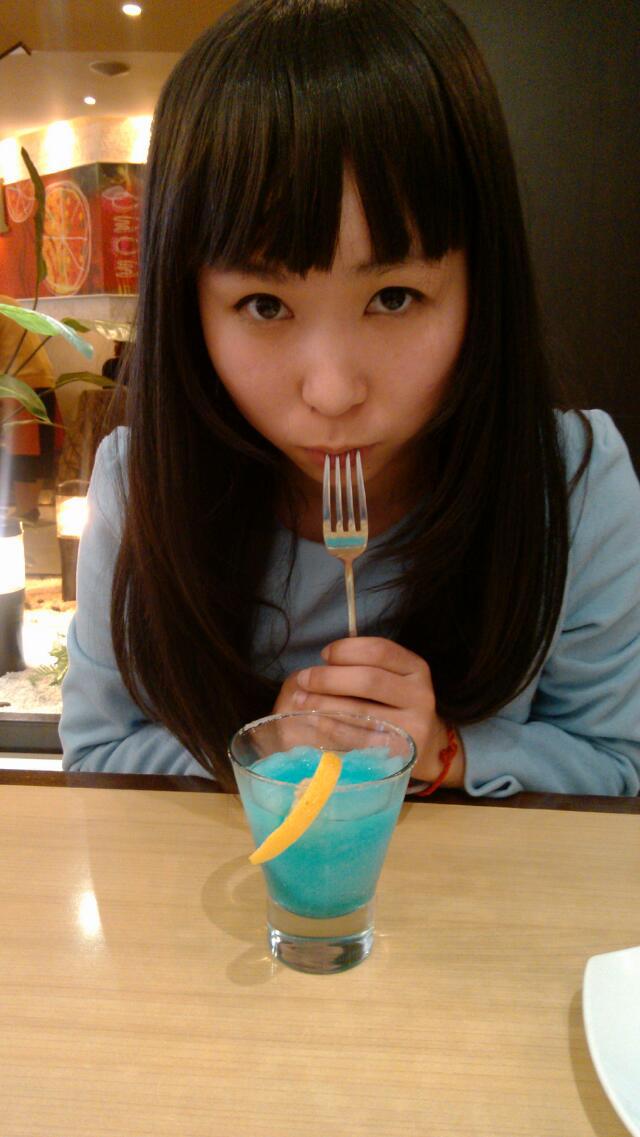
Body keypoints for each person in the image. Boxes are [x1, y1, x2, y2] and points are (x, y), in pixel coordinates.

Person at [60, 0, 640, 796]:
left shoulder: (572, 486)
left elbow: (620, 768)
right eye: (264, 304)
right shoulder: (142, 487)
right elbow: (97, 756)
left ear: (481, 284)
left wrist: (446, 752)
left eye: (395, 297)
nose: (332, 392)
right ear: (188, 306)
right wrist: (264, 754)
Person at [0, 294, 58, 524]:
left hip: (19, 381)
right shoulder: (6, 301)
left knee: (23, 453)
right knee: (31, 454)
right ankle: (27, 511)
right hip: (39, 379)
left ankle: (24, 515)